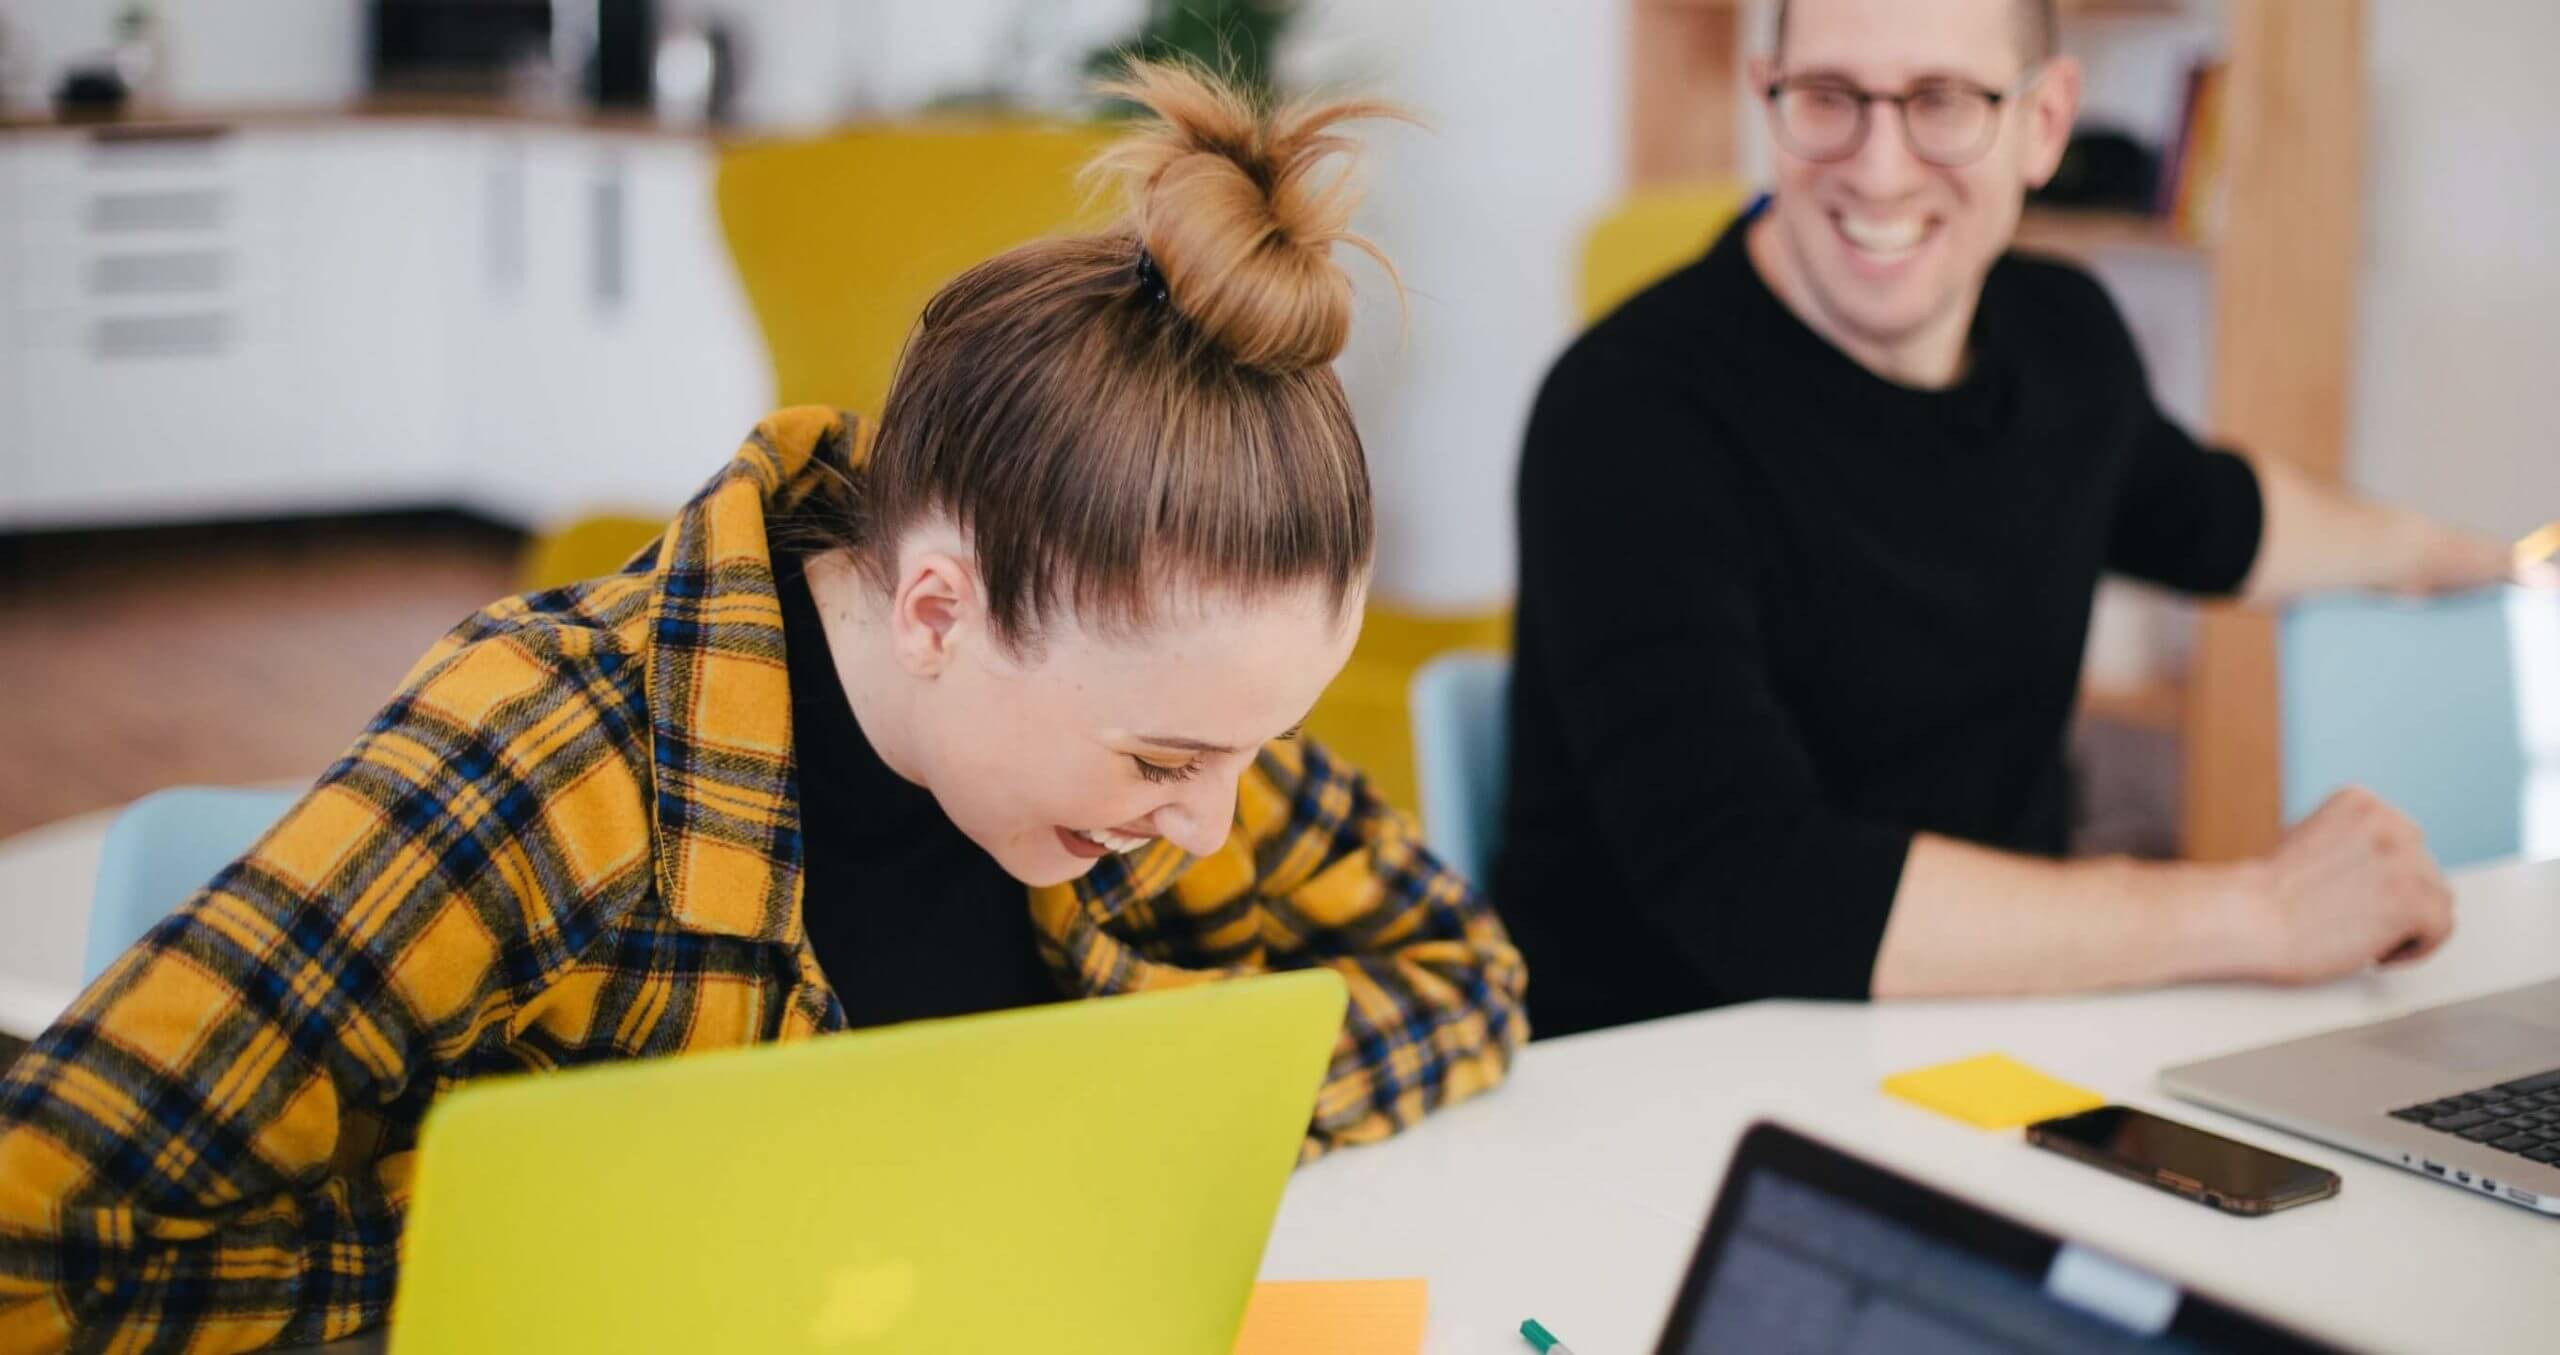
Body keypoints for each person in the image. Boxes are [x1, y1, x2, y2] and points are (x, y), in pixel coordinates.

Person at [0, 62, 1525, 1350]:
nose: (1206, 824)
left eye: (1247, 753)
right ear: (938, 605)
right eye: (1170, 760)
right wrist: (592, 1249)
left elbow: (1462, 971)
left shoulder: (1147, 700)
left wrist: (1111, 1115)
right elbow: (45, 1239)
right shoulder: (549, 757)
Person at [1496, 0, 2525, 1038]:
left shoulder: (2061, 335)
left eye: (1942, 101)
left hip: (1986, 1036)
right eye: (1829, 98)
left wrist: (2467, 555)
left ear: (2043, 124)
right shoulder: (1625, 411)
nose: (1880, 169)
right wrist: (2258, 908)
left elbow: (2213, 515)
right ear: (1770, 98)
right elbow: (1757, 887)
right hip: (1662, 1080)